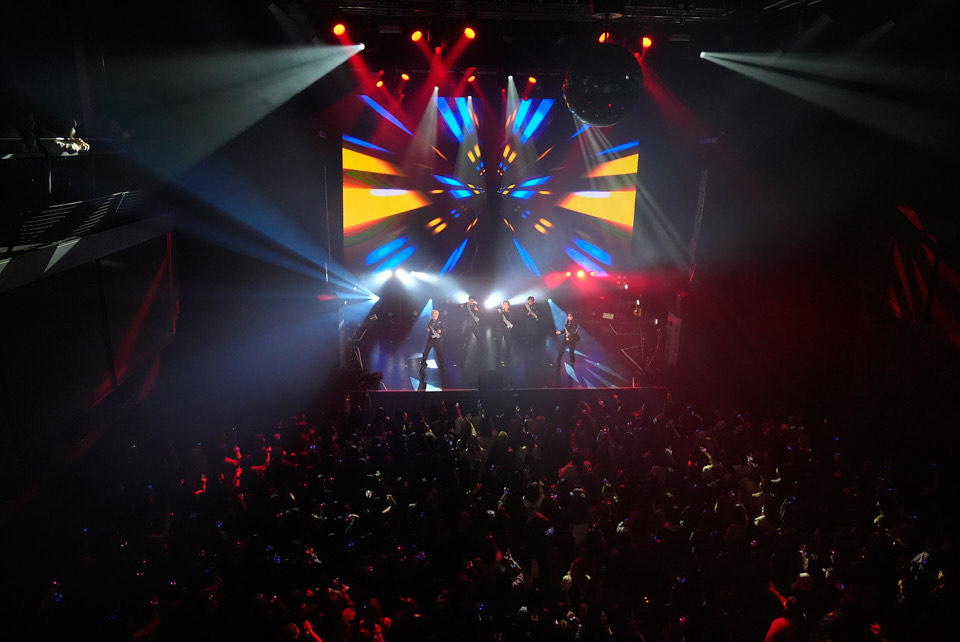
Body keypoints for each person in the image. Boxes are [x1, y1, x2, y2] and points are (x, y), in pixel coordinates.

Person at [420, 309, 446, 373]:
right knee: (425, 353)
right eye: (434, 316)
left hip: (438, 340)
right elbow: (429, 326)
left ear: (438, 315)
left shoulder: (441, 321)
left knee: (439, 354)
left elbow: (445, 328)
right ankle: (423, 365)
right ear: (432, 315)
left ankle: (442, 365)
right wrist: (428, 328)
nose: (435, 317)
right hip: (430, 340)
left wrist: (441, 330)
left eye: (436, 316)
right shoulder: (430, 321)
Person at [494, 300, 514, 365]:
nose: (504, 305)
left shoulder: (510, 312)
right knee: (498, 343)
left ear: (508, 306)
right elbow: (496, 318)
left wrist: (506, 312)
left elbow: (511, 318)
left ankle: (508, 355)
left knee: (508, 343)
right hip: (499, 329)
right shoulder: (499, 311)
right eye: (503, 304)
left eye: (506, 305)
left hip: (507, 330)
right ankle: (498, 355)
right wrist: (502, 312)